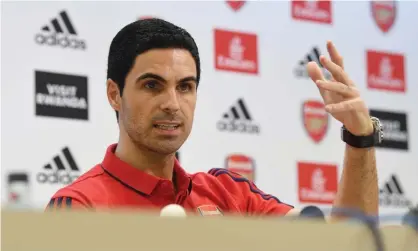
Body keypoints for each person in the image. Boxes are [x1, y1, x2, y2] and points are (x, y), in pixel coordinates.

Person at [46, 18, 381, 218]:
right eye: (152, 85)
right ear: (114, 94)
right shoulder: (78, 207)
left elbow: (343, 244)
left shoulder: (228, 193)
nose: (172, 104)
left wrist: (359, 137)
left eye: (185, 86)